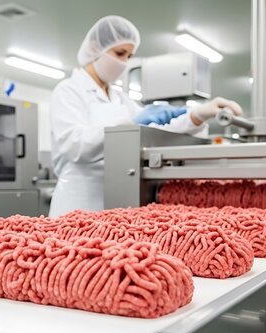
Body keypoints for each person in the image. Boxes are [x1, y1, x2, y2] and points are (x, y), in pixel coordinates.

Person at [48, 15, 243, 217]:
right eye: (120, 53)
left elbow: (154, 134)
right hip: (78, 202)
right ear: (96, 47)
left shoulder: (121, 99)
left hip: (118, 200)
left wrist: (197, 115)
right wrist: (126, 125)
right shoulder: (69, 91)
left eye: (129, 56)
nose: (124, 62)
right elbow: (74, 145)